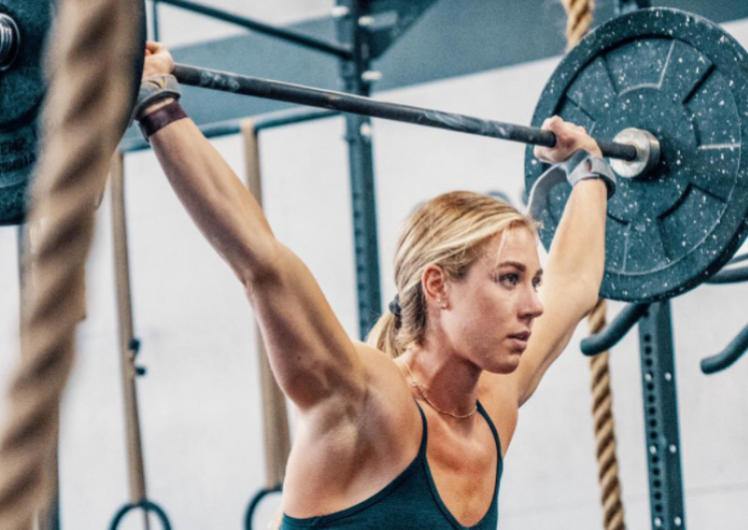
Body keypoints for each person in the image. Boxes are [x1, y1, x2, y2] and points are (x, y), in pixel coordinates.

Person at [136, 41, 610, 529]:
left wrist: (589, 168)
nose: (533, 305)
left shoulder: (494, 405)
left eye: (533, 281)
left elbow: (573, 284)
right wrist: (155, 101)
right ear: (438, 286)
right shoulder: (361, 402)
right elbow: (261, 262)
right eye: (509, 279)